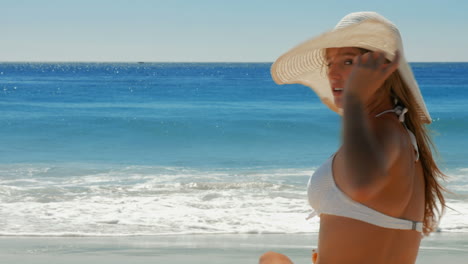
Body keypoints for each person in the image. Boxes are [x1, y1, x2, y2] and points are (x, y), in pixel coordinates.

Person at [260, 11, 447, 264]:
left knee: (271, 259)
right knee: (272, 258)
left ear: (383, 69)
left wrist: (355, 100)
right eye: (329, 63)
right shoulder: (398, 133)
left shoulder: (385, 132)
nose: (333, 74)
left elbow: (361, 184)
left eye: (347, 62)